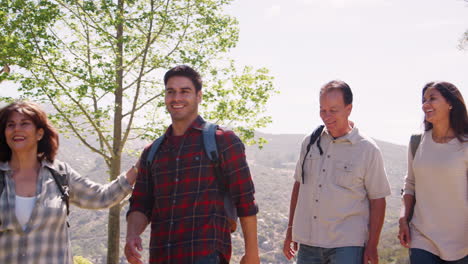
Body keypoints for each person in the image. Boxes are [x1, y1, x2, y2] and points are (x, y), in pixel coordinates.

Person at [124, 65, 260, 264]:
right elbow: (140, 203)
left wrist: (252, 254)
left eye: (184, 91)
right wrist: (132, 235)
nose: (176, 98)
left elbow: (245, 201)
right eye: (171, 92)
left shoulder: (223, 141)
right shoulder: (152, 152)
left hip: (206, 256)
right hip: (161, 257)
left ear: (199, 96)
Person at [0, 100, 138, 263]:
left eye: (24, 124)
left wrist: (139, 166)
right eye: (10, 125)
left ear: (40, 133)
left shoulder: (60, 174)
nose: (17, 129)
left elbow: (103, 196)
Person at [283, 80, 391, 264]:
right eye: (322, 110)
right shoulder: (309, 142)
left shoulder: (367, 149)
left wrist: (372, 246)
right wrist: (291, 229)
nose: (326, 116)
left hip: (347, 245)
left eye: (333, 110)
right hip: (308, 243)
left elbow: (378, 200)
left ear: (349, 109)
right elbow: (299, 185)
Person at [398, 81, 468, 264]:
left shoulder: (465, 145)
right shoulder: (416, 143)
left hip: (462, 241)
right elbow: (410, 184)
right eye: (424, 100)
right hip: (422, 237)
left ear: (451, 104)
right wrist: (403, 218)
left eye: (432, 99)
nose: (425, 104)